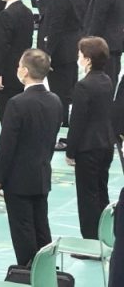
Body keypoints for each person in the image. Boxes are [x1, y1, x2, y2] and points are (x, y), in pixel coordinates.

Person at [0, 49, 61, 267]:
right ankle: (45, 270)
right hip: (41, 172)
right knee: (41, 225)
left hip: (19, 178)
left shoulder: (17, 103)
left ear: (25, 70)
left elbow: (7, 145)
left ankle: (27, 270)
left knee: (22, 229)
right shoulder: (55, 101)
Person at [68, 36, 117, 245]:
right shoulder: (107, 80)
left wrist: (70, 151)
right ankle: (105, 235)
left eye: (80, 55)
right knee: (101, 190)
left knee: (87, 197)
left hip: (88, 147)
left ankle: (90, 241)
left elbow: (77, 121)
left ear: (87, 60)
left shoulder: (83, 86)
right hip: (105, 143)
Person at [40, 0, 87, 128]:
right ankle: (65, 119)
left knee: (59, 89)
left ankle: (60, 122)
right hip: (73, 46)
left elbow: (55, 28)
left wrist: (48, 54)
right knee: (68, 88)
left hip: (60, 50)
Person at [86, 0, 124, 82]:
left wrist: (89, 42)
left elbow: (98, 21)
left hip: (104, 45)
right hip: (116, 42)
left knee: (103, 79)